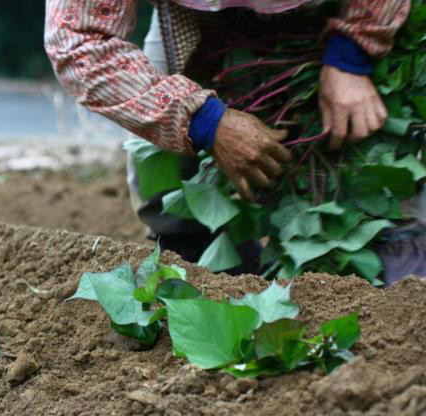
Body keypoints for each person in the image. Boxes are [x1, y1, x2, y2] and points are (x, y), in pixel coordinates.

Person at [44, 0, 411, 275]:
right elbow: (77, 39)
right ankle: (209, 273)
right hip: (195, 14)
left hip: (333, 8)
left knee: (387, 162)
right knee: (166, 189)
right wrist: (205, 121)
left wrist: (353, 53)